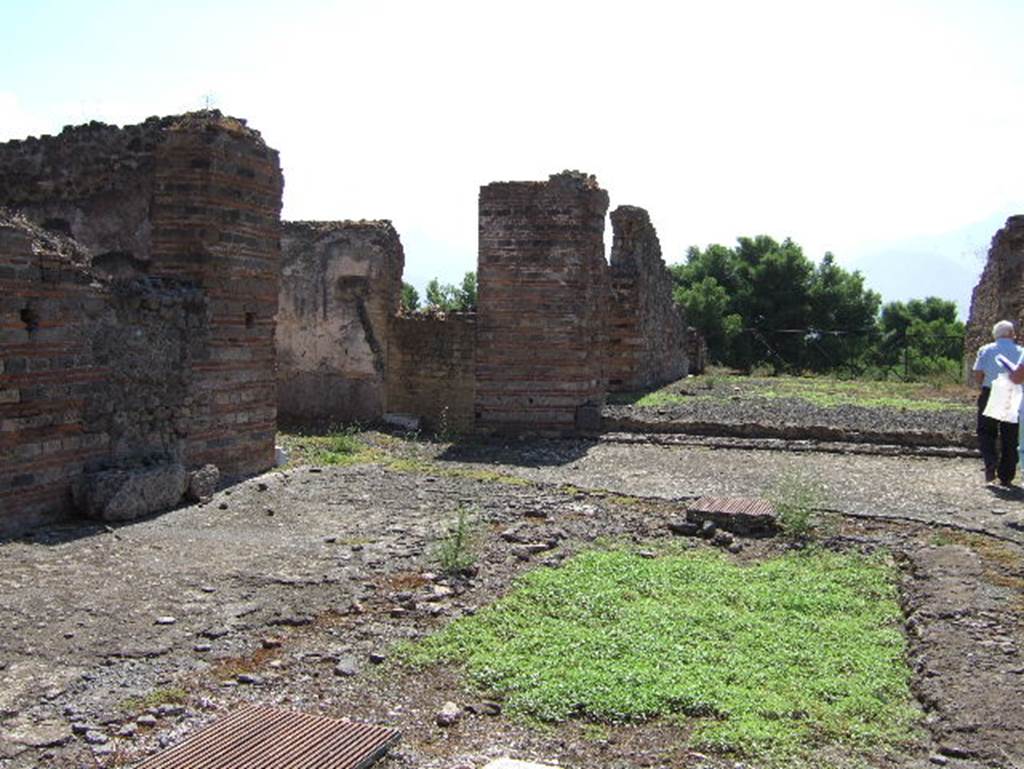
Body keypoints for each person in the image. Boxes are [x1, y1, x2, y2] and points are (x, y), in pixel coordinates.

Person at [973, 320, 1023, 486]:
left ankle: (990, 462)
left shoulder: (986, 350)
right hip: (1011, 392)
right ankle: (1006, 474)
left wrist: (983, 387)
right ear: (1011, 334)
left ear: (996, 334)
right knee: (1010, 434)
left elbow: (978, 374)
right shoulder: (1020, 351)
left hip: (991, 390)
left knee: (986, 431)